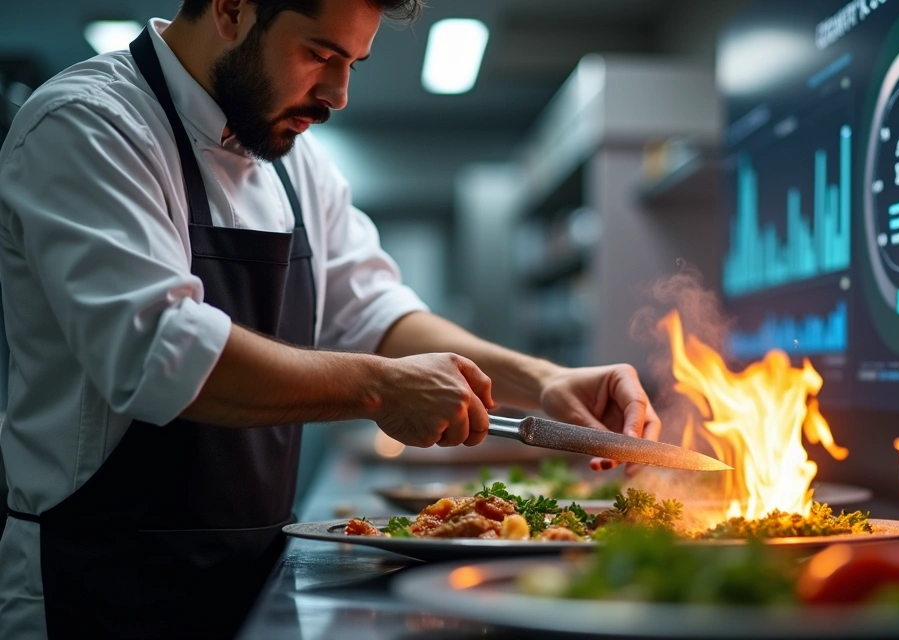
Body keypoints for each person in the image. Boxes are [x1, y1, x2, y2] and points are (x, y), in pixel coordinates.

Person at [0, 1, 662, 637]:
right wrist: (378, 387)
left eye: (354, 63)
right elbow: (163, 353)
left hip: (250, 575)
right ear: (232, 8)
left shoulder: (295, 166)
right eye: (320, 53)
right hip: (97, 588)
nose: (340, 93)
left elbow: (376, 314)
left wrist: (544, 379)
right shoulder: (89, 124)